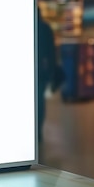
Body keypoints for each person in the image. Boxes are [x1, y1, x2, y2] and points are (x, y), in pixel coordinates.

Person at [37, 7, 57, 141]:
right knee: (39, 101)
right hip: (41, 71)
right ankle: (38, 130)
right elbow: (51, 52)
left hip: (37, 70)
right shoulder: (45, 28)